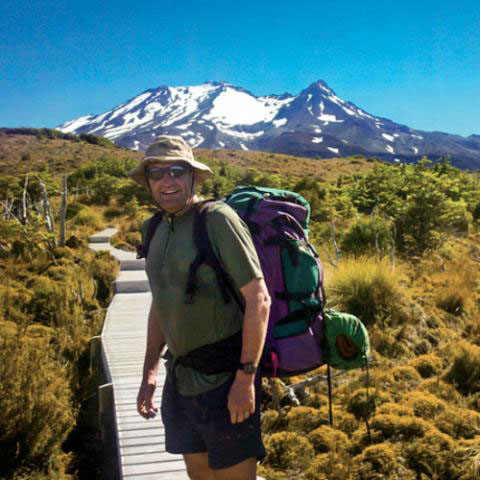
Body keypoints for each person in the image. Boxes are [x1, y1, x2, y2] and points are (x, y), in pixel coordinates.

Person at [130, 136, 271, 480]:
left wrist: (245, 378)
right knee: (199, 475)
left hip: (225, 380)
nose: (168, 181)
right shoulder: (153, 228)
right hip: (180, 379)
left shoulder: (217, 220)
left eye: (177, 170)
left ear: (193, 176)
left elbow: (259, 299)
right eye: (157, 173)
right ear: (147, 181)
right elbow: (162, 302)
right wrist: (150, 371)